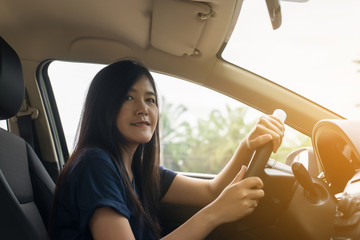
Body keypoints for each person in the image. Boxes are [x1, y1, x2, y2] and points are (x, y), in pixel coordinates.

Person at [50, 59, 285, 240]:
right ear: (105, 107)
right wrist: (215, 214)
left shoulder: (138, 169)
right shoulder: (95, 164)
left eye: (150, 99)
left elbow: (211, 191)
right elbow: (215, 203)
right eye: (128, 97)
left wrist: (247, 145)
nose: (143, 108)